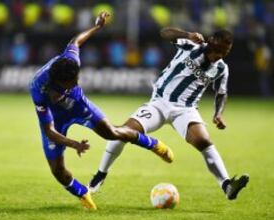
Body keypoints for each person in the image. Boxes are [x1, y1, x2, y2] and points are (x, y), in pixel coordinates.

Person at [29, 12, 173, 210]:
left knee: (112, 133)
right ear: (56, 83)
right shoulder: (38, 89)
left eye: (75, 83)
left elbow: (76, 41)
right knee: (57, 170)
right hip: (55, 118)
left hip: (79, 106)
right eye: (69, 86)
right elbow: (49, 131)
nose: (73, 86)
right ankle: (82, 192)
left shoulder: (70, 62)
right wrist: (74, 144)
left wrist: (97, 27)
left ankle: (154, 144)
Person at [89, 27, 249, 200]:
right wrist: (187, 35)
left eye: (224, 52)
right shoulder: (191, 45)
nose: (219, 55)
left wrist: (218, 113)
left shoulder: (221, 69)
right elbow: (164, 32)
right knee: (122, 133)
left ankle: (226, 185)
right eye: (218, 50)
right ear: (211, 41)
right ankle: (100, 174)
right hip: (159, 103)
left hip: (185, 110)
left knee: (204, 141)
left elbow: (221, 93)